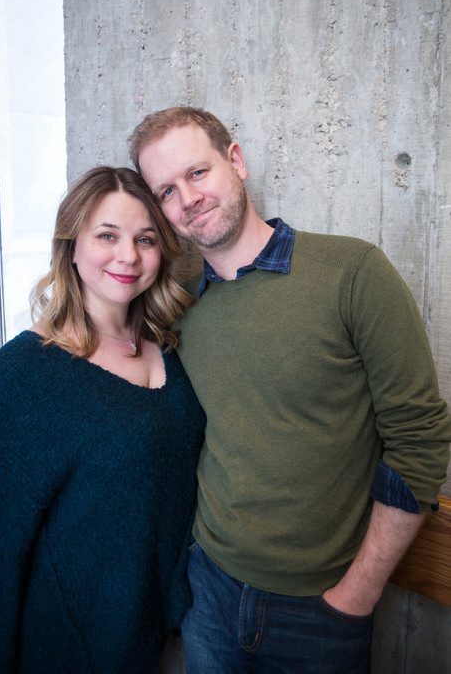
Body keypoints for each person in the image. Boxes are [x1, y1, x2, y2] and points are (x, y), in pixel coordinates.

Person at [129, 107, 451, 673]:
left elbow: (420, 441)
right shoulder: (175, 298)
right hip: (210, 593)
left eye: (197, 173)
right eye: (167, 191)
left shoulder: (352, 272)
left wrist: (357, 595)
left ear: (237, 160)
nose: (187, 199)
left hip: (323, 611)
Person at [0, 166, 206, 673]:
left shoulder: (174, 354)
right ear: (71, 247)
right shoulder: (26, 372)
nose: (128, 255)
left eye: (146, 238)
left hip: (150, 639)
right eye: (107, 235)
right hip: (59, 645)